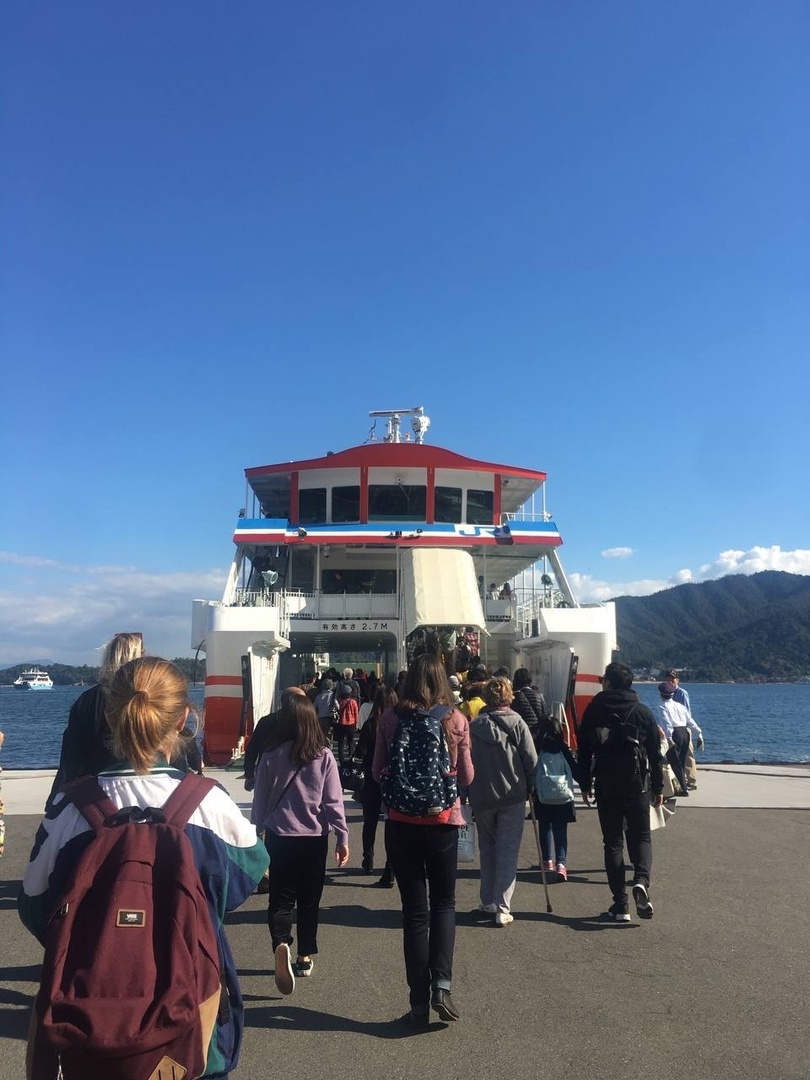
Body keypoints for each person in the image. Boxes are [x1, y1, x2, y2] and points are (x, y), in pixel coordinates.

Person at [20, 656, 269, 1079]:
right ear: (183, 719)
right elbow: (246, 878)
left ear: (109, 716)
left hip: (88, 1024)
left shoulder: (69, 807)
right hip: (194, 1018)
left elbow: (34, 907)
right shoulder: (209, 802)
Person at [372, 655, 474, 1027]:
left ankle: (417, 1003)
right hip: (442, 821)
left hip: (401, 823)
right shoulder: (455, 719)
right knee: (444, 904)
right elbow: (466, 776)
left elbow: (376, 771)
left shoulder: (390, 718)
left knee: (414, 914)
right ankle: (442, 987)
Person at [251, 694, 349, 995]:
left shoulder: (270, 754)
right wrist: (342, 836)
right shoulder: (323, 756)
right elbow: (333, 802)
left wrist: (254, 835)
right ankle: (305, 956)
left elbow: (260, 800)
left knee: (280, 898)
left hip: (280, 835)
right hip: (314, 837)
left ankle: (281, 942)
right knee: (309, 899)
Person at [577, 662, 664, 923]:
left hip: (606, 784)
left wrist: (584, 783)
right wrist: (658, 787)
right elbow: (655, 754)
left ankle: (620, 904)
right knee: (642, 837)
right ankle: (641, 881)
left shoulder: (594, 710)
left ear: (608, 683)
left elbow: (584, 749)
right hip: (637, 784)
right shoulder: (642, 712)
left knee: (613, 843)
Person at [468, 676, 537, 925]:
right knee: (507, 850)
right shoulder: (517, 723)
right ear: (509, 696)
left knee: (487, 848)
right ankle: (502, 906)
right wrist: (531, 785)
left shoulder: (475, 726)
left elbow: (466, 760)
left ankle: (487, 900)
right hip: (512, 794)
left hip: (482, 795)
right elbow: (531, 759)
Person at [52, 631, 145, 790]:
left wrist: (59, 793)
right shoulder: (148, 697)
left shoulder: (88, 700)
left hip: (95, 787)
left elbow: (71, 755)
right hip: (145, 781)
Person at [354, 684, 398, 884]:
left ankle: (368, 858)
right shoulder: (399, 724)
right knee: (391, 823)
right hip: (393, 779)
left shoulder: (371, 724)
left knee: (369, 822)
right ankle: (390, 866)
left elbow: (360, 752)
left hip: (371, 780)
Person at [533, 714, 578, 881]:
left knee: (545, 826)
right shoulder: (562, 748)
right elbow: (573, 768)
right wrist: (585, 784)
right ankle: (561, 864)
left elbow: (531, 768)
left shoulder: (538, 748)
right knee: (560, 829)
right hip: (562, 794)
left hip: (543, 794)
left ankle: (547, 860)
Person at [243, 686, 307, 791]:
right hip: (299, 776)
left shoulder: (266, 721)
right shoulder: (306, 724)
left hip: (267, 773)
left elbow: (252, 749)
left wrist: (249, 774)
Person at [657, 681, 703, 797]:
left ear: (661, 694)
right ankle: (680, 786)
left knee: (674, 762)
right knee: (681, 761)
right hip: (684, 732)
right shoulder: (680, 706)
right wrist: (698, 732)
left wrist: (669, 738)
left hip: (675, 733)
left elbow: (667, 724)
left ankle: (682, 789)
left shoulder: (663, 707)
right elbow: (690, 720)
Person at [665, 669, 700, 788]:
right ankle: (678, 778)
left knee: (688, 753)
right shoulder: (667, 693)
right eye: (668, 679)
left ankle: (691, 780)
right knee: (674, 753)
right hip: (672, 728)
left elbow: (686, 712)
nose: (670, 681)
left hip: (683, 727)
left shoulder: (682, 693)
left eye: (672, 679)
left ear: (677, 680)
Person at [511, 667, 548, 747]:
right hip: (538, 735)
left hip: (523, 735)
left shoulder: (515, 697)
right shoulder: (539, 695)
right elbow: (545, 715)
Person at [334, 681, 359, 763]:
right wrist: (356, 723)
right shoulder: (353, 702)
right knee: (350, 741)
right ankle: (351, 757)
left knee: (341, 742)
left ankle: (341, 759)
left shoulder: (340, 701)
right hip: (351, 724)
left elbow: (336, 710)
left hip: (341, 724)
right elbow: (356, 713)